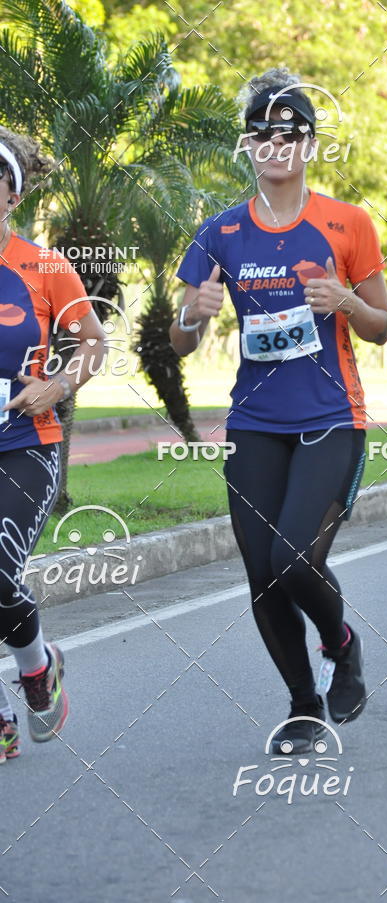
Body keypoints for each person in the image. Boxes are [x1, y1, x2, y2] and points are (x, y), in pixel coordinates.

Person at [170, 69, 387, 755]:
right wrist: (192, 315)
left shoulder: (346, 223)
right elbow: (179, 338)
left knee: (295, 557)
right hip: (256, 424)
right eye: (261, 133)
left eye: (288, 131)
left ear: (309, 143)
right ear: (248, 147)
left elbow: (382, 326)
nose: (275, 143)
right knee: (261, 568)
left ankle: (342, 645)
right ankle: (303, 705)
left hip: (331, 415)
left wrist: (346, 304)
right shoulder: (220, 232)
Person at [0, 127, 105, 762]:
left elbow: (93, 341)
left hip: (25, 445)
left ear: (11, 194)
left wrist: (58, 385)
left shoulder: (41, 266)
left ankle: (38, 668)